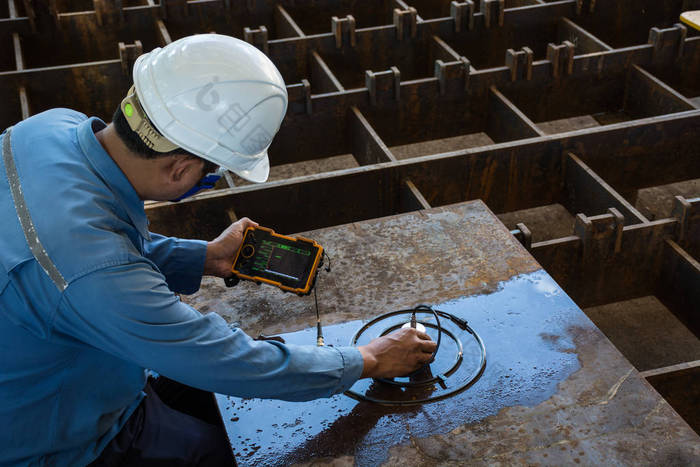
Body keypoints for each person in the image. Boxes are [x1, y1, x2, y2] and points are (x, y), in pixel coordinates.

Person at [0, 34, 436, 466]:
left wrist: (204, 257)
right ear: (180, 169)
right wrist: (368, 358)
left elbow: (85, 250)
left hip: (56, 359)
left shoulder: (47, 129)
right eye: (208, 178)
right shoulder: (96, 272)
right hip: (59, 438)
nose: (204, 183)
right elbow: (222, 359)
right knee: (226, 452)